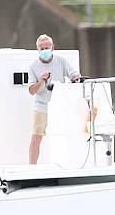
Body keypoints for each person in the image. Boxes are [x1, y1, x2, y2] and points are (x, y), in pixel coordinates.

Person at [27, 34, 82, 164]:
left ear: (53, 47)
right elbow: (31, 90)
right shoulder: (33, 66)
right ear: (38, 50)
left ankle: (69, 163)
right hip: (42, 106)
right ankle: (31, 168)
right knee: (36, 137)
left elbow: (74, 75)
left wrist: (76, 78)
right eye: (42, 48)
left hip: (60, 105)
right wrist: (42, 80)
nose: (45, 50)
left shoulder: (61, 60)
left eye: (47, 47)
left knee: (67, 135)